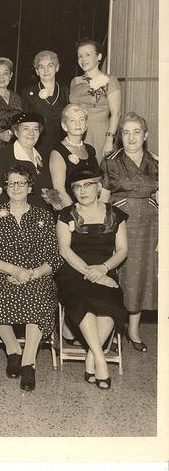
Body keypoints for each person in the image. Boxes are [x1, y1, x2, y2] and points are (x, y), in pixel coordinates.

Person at [0, 165, 62, 391]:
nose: (16, 187)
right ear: (5, 187)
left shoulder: (43, 215)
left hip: (37, 275)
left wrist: (32, 274)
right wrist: (13, 271)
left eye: (21, 183)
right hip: (3, 274)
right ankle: (12, 348)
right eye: (11, 183)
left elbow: (54, 258)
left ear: (30, 187)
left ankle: (28, 362)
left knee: (38, 296)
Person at [56, 168, 128, 389]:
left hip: (105, 271)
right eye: (77, 187)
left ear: (99, 187)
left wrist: (104, 269)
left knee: (110, 300)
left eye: (88, 185)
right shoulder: (66, 214)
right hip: (75, 271)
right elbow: (65, 251)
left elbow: (122, 250)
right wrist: (91, 273)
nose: (82, 190)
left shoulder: (115, 214)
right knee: (82, 299)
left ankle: (91, 358)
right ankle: (100, 359)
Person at [101, 112, 158, 352]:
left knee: (140, 277)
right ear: (120, 137)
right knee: (119, 276)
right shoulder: (110, 161)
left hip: (148, 227)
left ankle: (133, 331)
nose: (131, 137)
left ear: (145, 135)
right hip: (120, 226)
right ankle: (112, 330)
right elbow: (103, 199)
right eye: (126, 132)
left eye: (136, 132)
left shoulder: (156, 161)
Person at [69, 38, 121, 164]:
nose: (83, 59)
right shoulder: (75, 82)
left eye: (88, 54)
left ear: (99, 57)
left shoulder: (110, 80)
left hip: (99, 135)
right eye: (80, 56)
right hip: (77, 133)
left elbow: (116, 113)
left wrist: (109, 141)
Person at [0, 112, 49, 210]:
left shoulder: (43, 157)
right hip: (11, 219)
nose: (31, 133)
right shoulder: (3, 156)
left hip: (40, 218)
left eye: (35, 129)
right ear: (16, 132)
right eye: (26, 128)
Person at [49, 104, 100, 209]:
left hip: (92, 207)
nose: (78, 124)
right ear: (64, 126)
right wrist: (77, 215)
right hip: (72, 211)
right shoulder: (58, 153)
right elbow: (59, 190)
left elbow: (97, 182)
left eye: (81, 120)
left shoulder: (90, 150)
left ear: (86, 125)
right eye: (72, 120)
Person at [21, 50, 69, 160]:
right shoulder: (28, 92)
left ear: (56, 68)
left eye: (50, 66)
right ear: (37, 71)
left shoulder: (65, 91)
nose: (46, 70)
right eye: (41, 67)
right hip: (37, 145)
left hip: (60, 145)